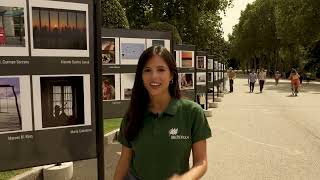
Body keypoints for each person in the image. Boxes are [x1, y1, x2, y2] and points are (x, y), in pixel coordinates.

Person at [114, 46, 212, 180]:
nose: (154, 76)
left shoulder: (192, 112)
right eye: (147, 70)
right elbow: (124, 161)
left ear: (171, 75)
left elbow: (201, 162)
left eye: (161, 70)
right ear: (141, 76)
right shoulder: (133, 114)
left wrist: (185, 178)